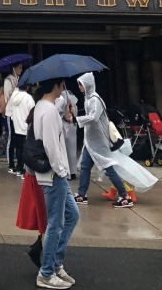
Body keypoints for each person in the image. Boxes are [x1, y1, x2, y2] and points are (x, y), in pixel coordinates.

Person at [32, 76, 80, 288]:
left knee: (72, 215)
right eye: (62, 85)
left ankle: (55, 262)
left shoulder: (42, 106)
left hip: (52, 174)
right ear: (55, 86)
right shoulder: (49, 111)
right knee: (56, 223)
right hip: (54, 175)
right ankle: (47, 272)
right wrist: (61, 171)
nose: (63, 89)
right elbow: (51, 146)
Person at [74, 72, 132, 208]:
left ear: (88, 85)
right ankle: (81, 194)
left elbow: (93, 117)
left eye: (81, 84)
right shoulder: (88, 99)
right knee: (85, 167)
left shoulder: (95, 100)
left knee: (108, 168)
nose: (79, 87)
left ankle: (125, 196)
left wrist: (76, 119)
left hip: (99, 142)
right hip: (91, 141)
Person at [6, 80, 35, 176]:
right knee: (25, 149)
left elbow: (9, 111)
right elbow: (33, 111)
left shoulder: (13, 97)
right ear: (27, 87)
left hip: (16, 126)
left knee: (18, 149)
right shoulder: (28, 97)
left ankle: (19, 168)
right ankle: (23, 170)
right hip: (26, 127)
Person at [3, 62, 24, 171]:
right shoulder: (8, 80)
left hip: (19, 113)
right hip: (11, 112)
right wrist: (15, 90)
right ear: (13, 68)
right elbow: (7, 97)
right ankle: (10, 163)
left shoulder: (20, 79)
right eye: (19, 68)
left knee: (19, 138)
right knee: (12, 138)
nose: (21, 70)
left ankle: (19, 163)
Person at [56, 89, 79, 179]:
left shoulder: (66, 105)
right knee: (72, 151)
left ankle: (69, 171)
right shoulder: (74, 105)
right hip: (72, 128)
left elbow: (64, 116)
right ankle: (72, 171)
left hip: (66, 128)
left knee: (66, 151)